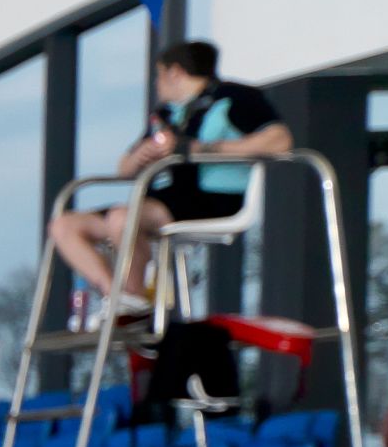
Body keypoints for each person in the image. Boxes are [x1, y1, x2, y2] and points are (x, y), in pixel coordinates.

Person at [46, 39, 290, 315]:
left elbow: (279, 141)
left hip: (210, 199)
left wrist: (196, 149)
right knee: (65, 227)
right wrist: (142, 155)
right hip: (157, 202)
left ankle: (134, 299)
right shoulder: (164, 115)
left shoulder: (234, 97)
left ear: (173, 72)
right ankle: (115, 294)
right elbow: (123, 169)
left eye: (158, 75)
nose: (156, 84)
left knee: (123, 218)